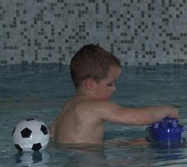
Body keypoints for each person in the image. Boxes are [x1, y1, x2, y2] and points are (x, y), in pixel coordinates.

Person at [51, 44, 179, 145]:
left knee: (135, 144)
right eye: (110, 84)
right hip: (89, 166)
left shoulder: (69, 105)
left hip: (74, 160)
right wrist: (168, 110)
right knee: (144, 164)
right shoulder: (96, 107)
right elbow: (139, 118)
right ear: (90, 84)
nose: (114, 89)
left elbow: (57, 137)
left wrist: (123, 144)